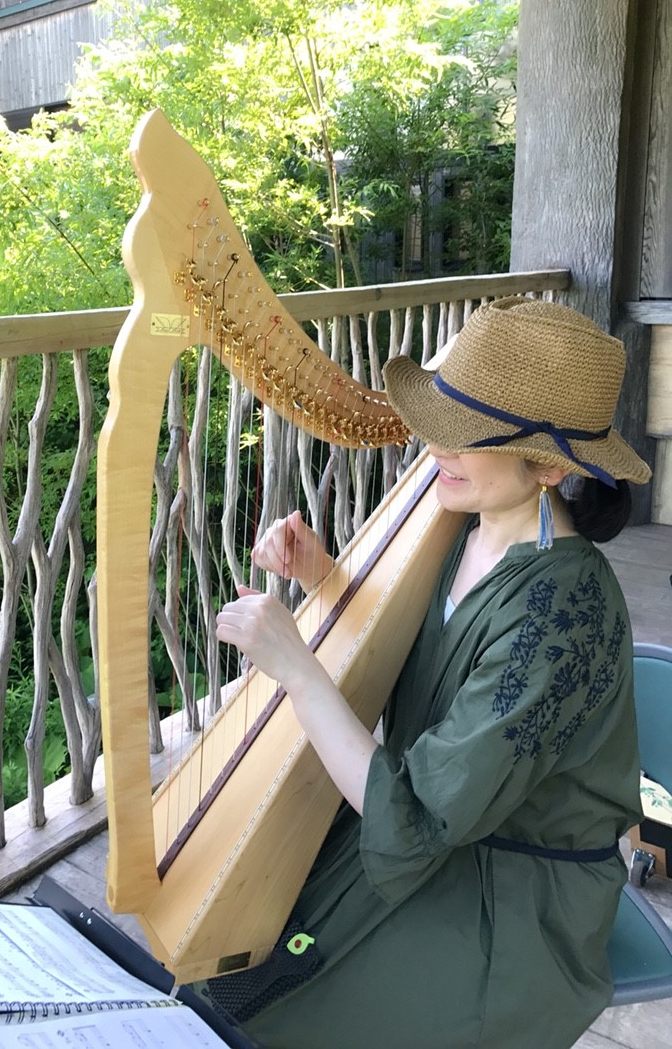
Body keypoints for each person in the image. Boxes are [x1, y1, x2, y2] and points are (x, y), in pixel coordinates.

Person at [208, 297, 652, 1049]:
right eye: (439, 419)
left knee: (275, 1016)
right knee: (233, 968)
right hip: (436, 831)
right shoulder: (464, 533)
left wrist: (298, 672)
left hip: (509, 903)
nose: (435, 443)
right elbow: (427, 652)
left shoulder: (562, 610)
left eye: (467, 433)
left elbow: (418, 820)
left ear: (548, 466)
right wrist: (322, 577)